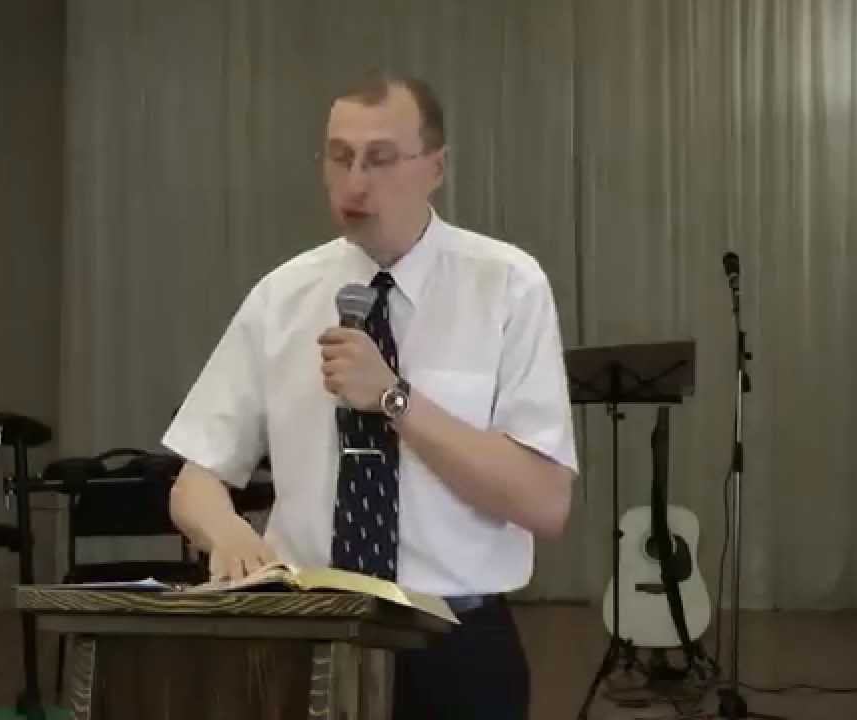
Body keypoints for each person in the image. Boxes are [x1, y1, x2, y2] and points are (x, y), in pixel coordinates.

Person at [162, 69, 578, 719]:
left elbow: (545, 503)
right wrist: (227, 533)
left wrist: (393, 398)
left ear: (435, 167)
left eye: (380, 159)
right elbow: (195, 479)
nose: (356, 182)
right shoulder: (282, 297)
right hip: (307, 639)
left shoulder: (506, 286)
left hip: (455, 646)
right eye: (340, 157)